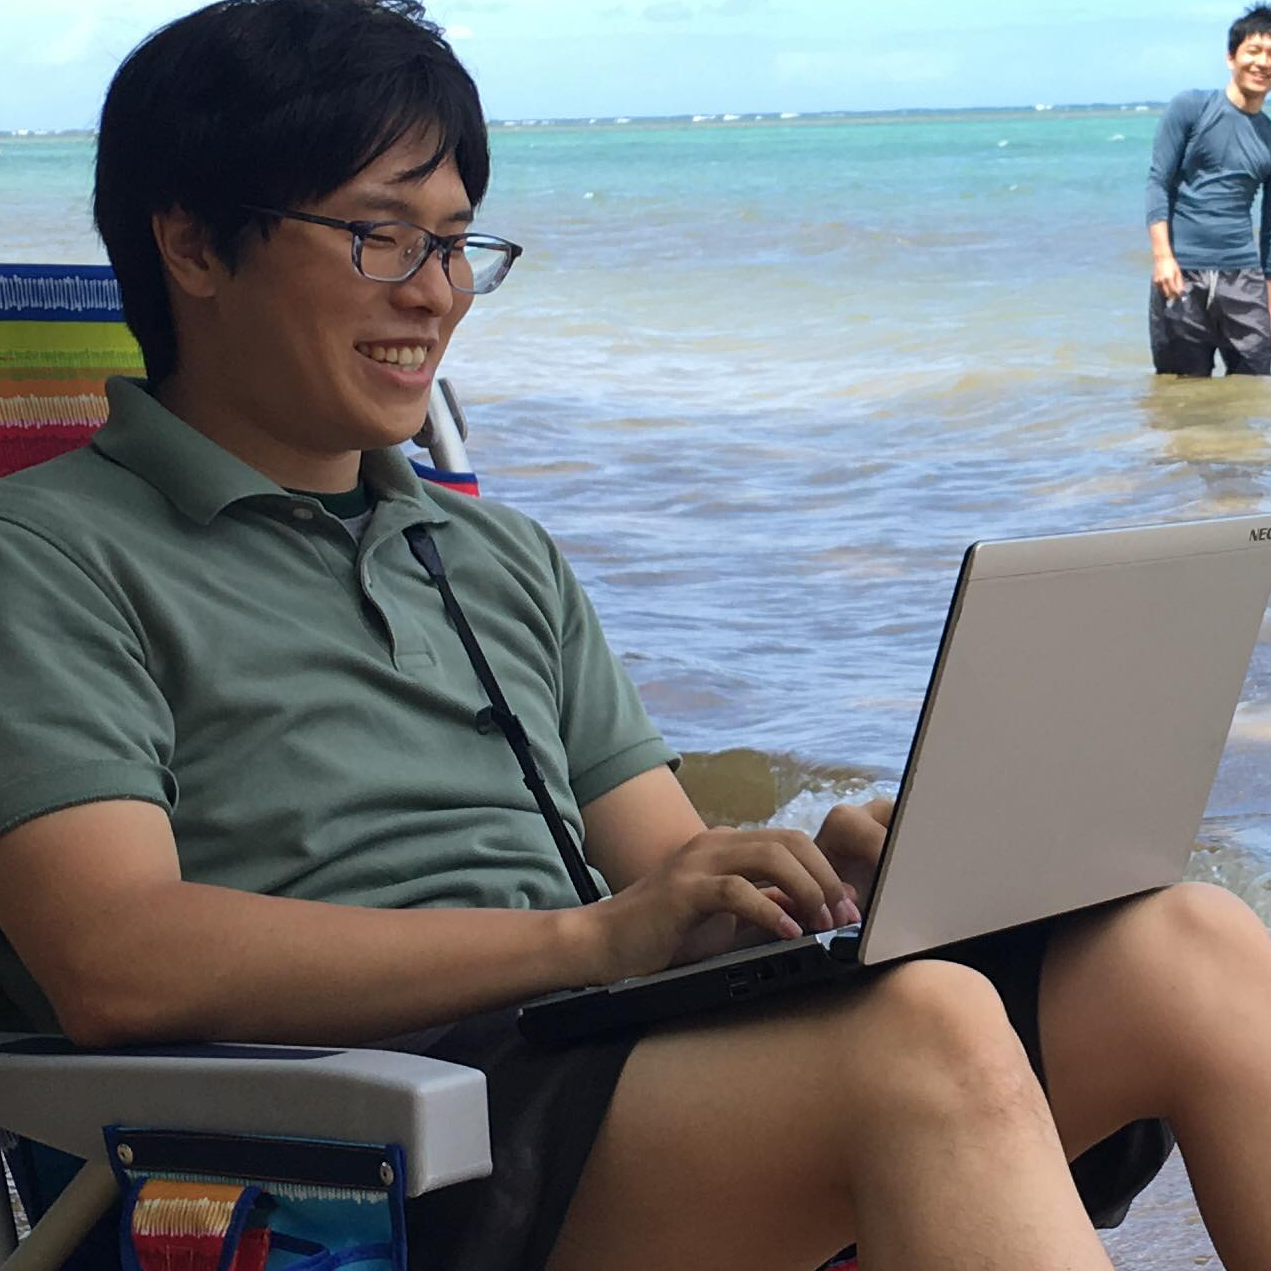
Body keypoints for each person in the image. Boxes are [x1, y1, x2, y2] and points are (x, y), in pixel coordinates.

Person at [1, 3, 1270, 1269]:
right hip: (318, 1152)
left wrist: (807, 894)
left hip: (564, 1084)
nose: (437, 293)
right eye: (380, 237)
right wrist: (589, 937)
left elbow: (666, 870)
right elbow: (119, 961)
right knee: (921, 1035)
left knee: (1184, 942)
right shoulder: (48, 553)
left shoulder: (494, 555)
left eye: (456, 242)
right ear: (192, 243)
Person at [1146, 4, 1271, 375]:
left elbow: (1270, 231)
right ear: (1231, 57)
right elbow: (1158, 182)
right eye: (1254, 51)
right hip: (1182, 272)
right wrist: (1163, 258)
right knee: (1184, 391)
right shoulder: (1191, 107)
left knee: (1256, 385)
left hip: (1243, 277)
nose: (1263, 63)